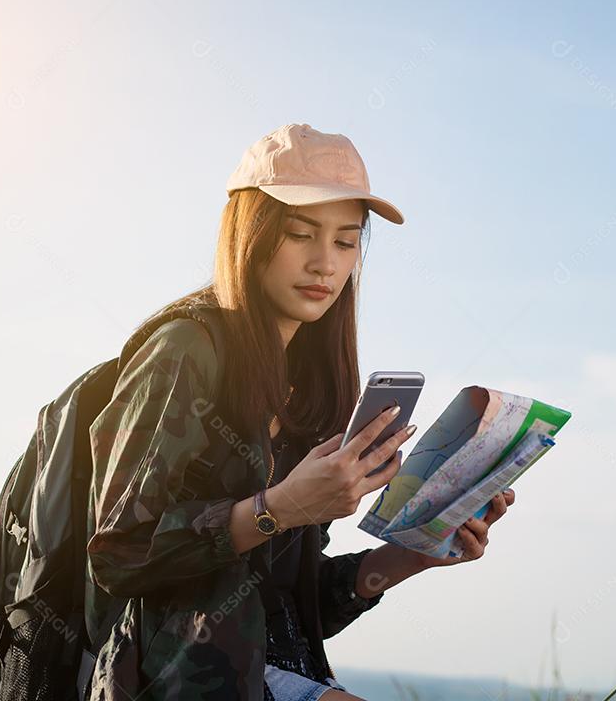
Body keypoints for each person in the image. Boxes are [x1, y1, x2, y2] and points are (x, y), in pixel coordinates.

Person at [81, 123, 516, 700]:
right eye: (299, 233)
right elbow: (118, 553)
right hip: (166, 673)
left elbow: (290, 607)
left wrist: (411, 553)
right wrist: (278, 507)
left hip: (272, 670)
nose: (324, 263)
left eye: (345, 241)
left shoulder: (318, 388)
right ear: (250, 235)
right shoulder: (185, 350)